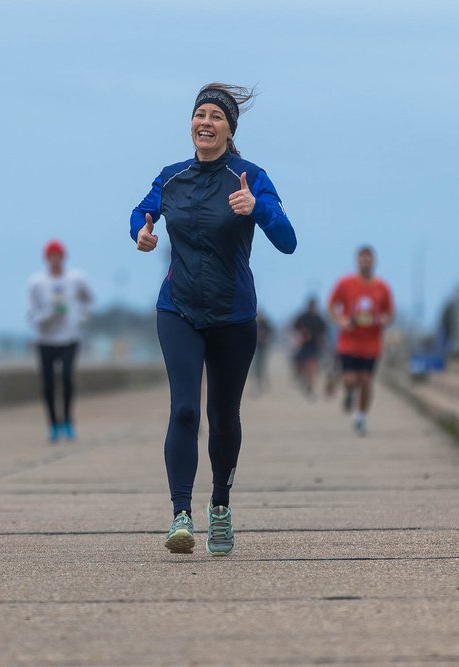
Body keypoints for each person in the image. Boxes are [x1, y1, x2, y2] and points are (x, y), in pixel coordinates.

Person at [131, 82, 297, 556]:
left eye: (216, 116)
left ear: (229, 129)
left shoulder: (249, 177)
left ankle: (219, 506)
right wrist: (141, 234)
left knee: (222, 418)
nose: (206, 122)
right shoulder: (172, 176)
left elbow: (287, 241)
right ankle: (180, 514)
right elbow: (141, 213)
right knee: (184, 409)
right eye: (199, 114)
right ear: (191, 124)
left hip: (233, 314)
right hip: (178, 307)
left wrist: (258, 208)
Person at [27, 240, 92, 442]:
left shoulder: (76, 279)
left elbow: (88, 299)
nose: (55, 260)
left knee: (66, 377)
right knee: (47, 384)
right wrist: (47, 315)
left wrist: (82, 317)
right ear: (46, 259)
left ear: (63, 258)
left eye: (58, 256)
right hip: (46, 339)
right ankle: (53, 425)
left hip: (69, 338)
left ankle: (68, 422)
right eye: (51, 256)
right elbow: (31, 314)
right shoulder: (37, 283)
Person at [327, 245, 394, 436]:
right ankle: (349, 393)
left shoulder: (383, 287)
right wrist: (342, 320)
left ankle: (361, 417)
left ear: (374, 261)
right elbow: (331, 306)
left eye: (369, 259)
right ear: (357, 261)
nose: (366, 262)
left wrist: (384, 320)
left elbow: (390, 313)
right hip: (348, 342)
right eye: (363, 259)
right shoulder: (345, 283)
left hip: (371, 344)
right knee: (350, 379)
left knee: (366, 380)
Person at [291, 297, 328, 398]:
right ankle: (305, 380)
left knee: (312, 366)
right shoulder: (302, 317)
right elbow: (295, 329)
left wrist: (324, 345)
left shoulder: (318, 319)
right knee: (303, 365)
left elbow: (323, 333)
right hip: (303, 346)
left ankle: (310, 386)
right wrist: (300, 338)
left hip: (314, 346)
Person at [251, 310, 275, 395]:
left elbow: (271, 333)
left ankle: (263, 383)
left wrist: (265, 337)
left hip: (263, 348)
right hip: (255, 348)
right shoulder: (254, 323)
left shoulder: (265, 324)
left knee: (262, 366)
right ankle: (258, 383)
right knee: (256, 366)